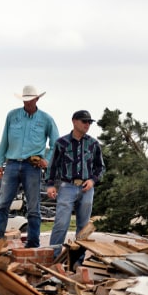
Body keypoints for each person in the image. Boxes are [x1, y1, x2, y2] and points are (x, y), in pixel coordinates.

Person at [0, 85, 59, 248]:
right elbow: (5, 140)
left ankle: (33, 243)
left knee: (33, 207)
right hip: (12, 163)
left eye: (30, 100)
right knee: (2, 204)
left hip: (32, 166)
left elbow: (56, 142)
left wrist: (47, 159)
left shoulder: (46, 119)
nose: (27, 103)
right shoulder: (12, 116)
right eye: (25, 100)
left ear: (37, 99)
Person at [46, 110, 105, 256]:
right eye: (84, 121)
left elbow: (100, 167)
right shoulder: (61, 143)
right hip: (67, 187)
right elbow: (52, 165)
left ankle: (77, 261)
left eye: (89, 122)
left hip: (87, 188)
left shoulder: (93, 144)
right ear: (74, 121)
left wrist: (92, 180)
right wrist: (50, 184)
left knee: (83, 227)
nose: (87, 125)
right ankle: (53, 257)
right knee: (61, 224)